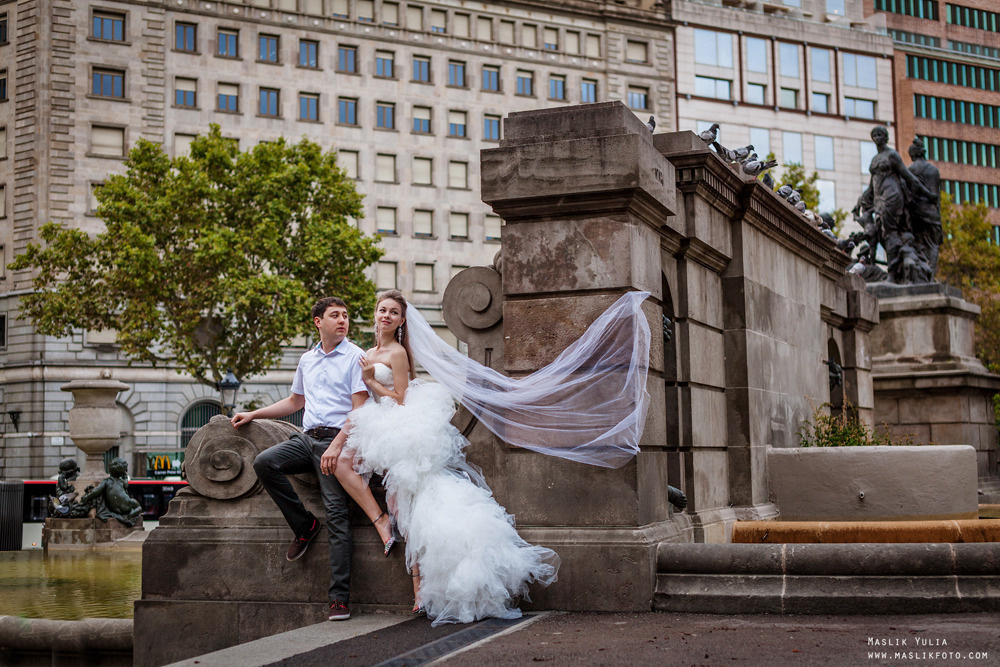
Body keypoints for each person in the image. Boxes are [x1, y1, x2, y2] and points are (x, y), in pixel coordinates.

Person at [334, 290, 561, 625]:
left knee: (406, 506)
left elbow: (399, 397)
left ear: (401, 321)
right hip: (381, 428)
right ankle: (411, 575)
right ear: (375, 314)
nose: (386, 316)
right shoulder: (370, 351)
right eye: (382, 310)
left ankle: (419, 590)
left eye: (393, 312)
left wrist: (370, 380)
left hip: (401, 426)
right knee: (397, 503)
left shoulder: (396, 352)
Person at [231, 296, 394, 622]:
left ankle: (338, 599)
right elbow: (295, 401)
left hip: (338, 440)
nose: (343, 320)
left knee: (337, 514)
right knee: (265, 462)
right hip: (306, 439)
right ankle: (304, 525)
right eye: (335, 315)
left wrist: (335, 447)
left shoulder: (354, 357)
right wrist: (254, 413)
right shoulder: (307, 359)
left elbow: (359, 409)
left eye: (346, 315)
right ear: (318, 321)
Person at [854, 126, 936, 284]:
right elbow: (872, 185)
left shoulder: (891, 155)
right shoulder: (874, 159)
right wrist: (861, 200)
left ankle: (892, 274)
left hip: (892, 196)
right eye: (875, 135)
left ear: (886, 137)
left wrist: (927, 193)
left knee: (889, 233)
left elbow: (908, 176)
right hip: (878, 198)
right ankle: (897, 270)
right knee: (882, 234)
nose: (877, 138)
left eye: (880, 135)